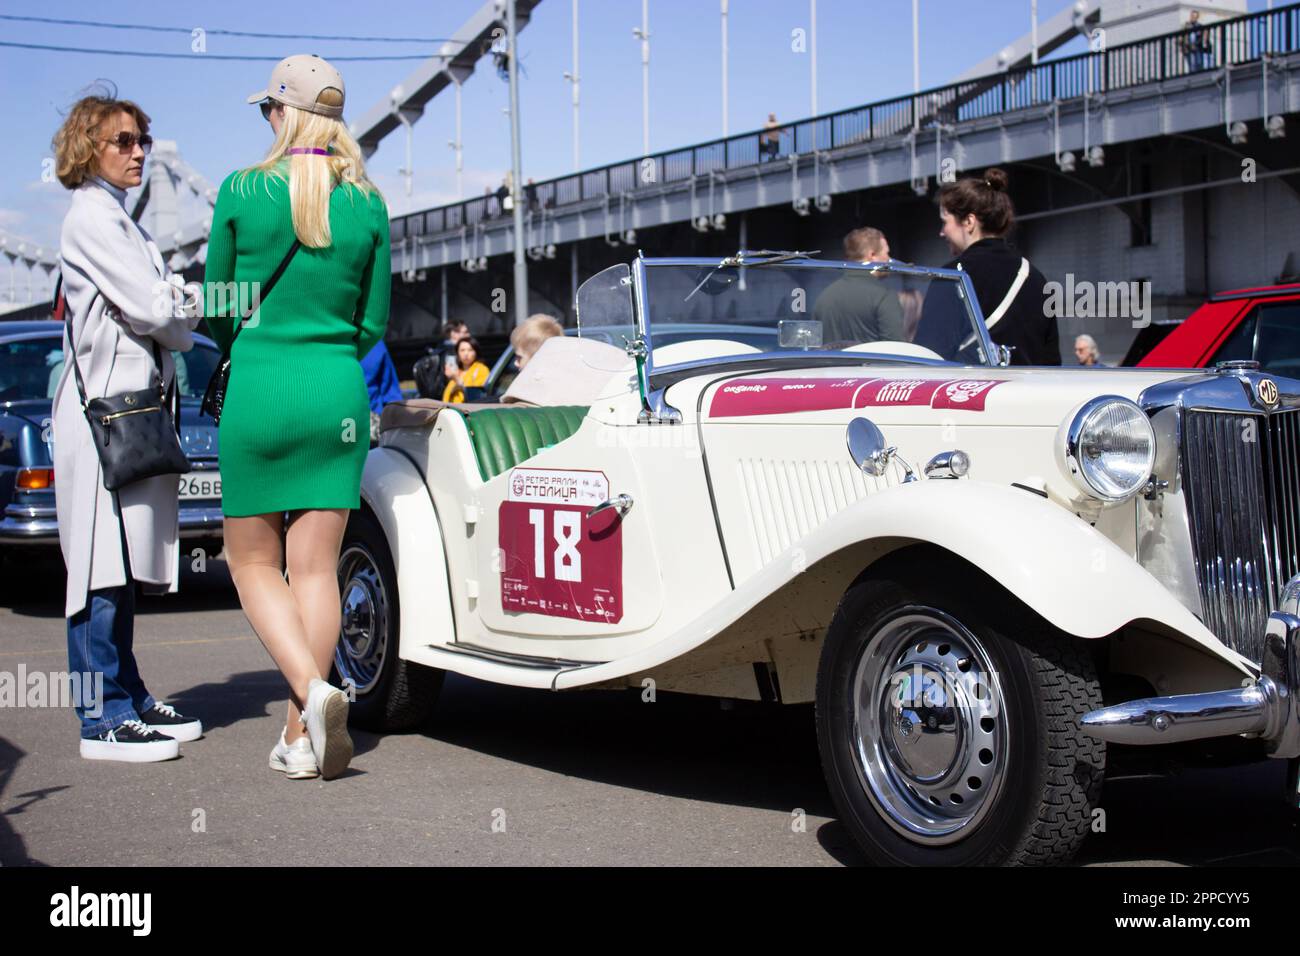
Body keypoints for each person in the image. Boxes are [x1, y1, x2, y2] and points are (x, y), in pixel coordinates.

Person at [203, 54, 390, 781]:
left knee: (252, 563)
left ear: (282, 114)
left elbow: (218, 307)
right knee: (316, 573)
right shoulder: (368, 203)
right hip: (337, 395)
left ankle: (313, 696)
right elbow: (371, 323)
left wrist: (253, 346)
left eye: (267, 109)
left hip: (259, 392)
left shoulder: (242, 190)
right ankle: (302, 738)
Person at [51, 87, 205, 761]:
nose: (139, 151)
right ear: (90, 148)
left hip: (127, 413)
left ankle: (128, 696)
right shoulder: (91, 217)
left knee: (120, 560)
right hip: (101, 417)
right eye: (124, 141)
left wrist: (170, 305)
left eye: (143, 140)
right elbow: (159, 310)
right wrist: (172, 303)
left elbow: (166, 310)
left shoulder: (121, 220)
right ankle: (102, 718)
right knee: (97, 564)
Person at [914, 168, 1060, 365]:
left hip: (973, 393)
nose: (942, 232)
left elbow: (930, 356)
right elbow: (1050, 360)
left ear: (969, 221)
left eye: (945, 222)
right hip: (1029, 393)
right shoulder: (1035, 277)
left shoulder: (951, 278)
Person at [813, 227, 905, 345]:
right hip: (872, 363)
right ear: (872, 255)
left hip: (831, 364)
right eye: (886, 253)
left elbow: (816, 346)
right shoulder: (883, 296)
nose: (889, 259)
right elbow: (895, 349)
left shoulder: (824, 297)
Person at [360, 339, 403, 443]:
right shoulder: (375, 344)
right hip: (371, 426)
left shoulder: (328, 341)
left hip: (338, 423)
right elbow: (391, 394)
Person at [412, 319, 466, 399]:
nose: (468, 335)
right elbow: (452, 375)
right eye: (465, 332)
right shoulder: (452, 352)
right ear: (453, 333)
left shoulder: (437, 350)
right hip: (449, 397)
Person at [442, 336, 489, 403]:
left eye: (470, 350)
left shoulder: (482, 370)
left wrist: (456, 379)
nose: (466, 354)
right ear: (457, 353)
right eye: (462, 350)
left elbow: (476, 396)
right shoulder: (456, 371)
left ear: (476, 352)